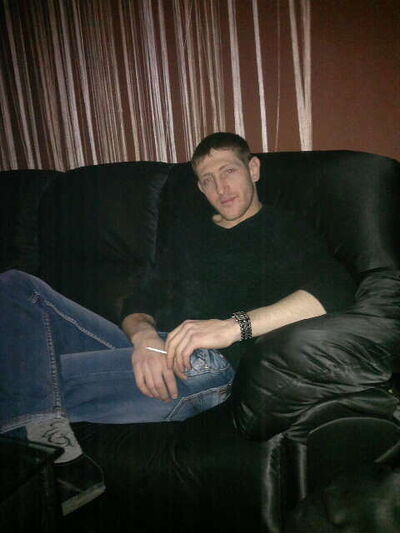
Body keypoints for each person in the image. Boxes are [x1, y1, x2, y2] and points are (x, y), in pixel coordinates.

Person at [0, 132, 355, 515]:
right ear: (199, 188)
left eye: (229, 171)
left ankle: (51, 465)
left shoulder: (284, 229)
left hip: (205, 365)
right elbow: (139, 303)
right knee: (15, 286)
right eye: (207, 179)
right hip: (150, 347)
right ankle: (54, 457)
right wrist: (145, 338)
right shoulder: (187, 235)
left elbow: (336, 290)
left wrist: (229, 327)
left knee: (18, 374)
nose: (220, 188)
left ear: (253, 169)